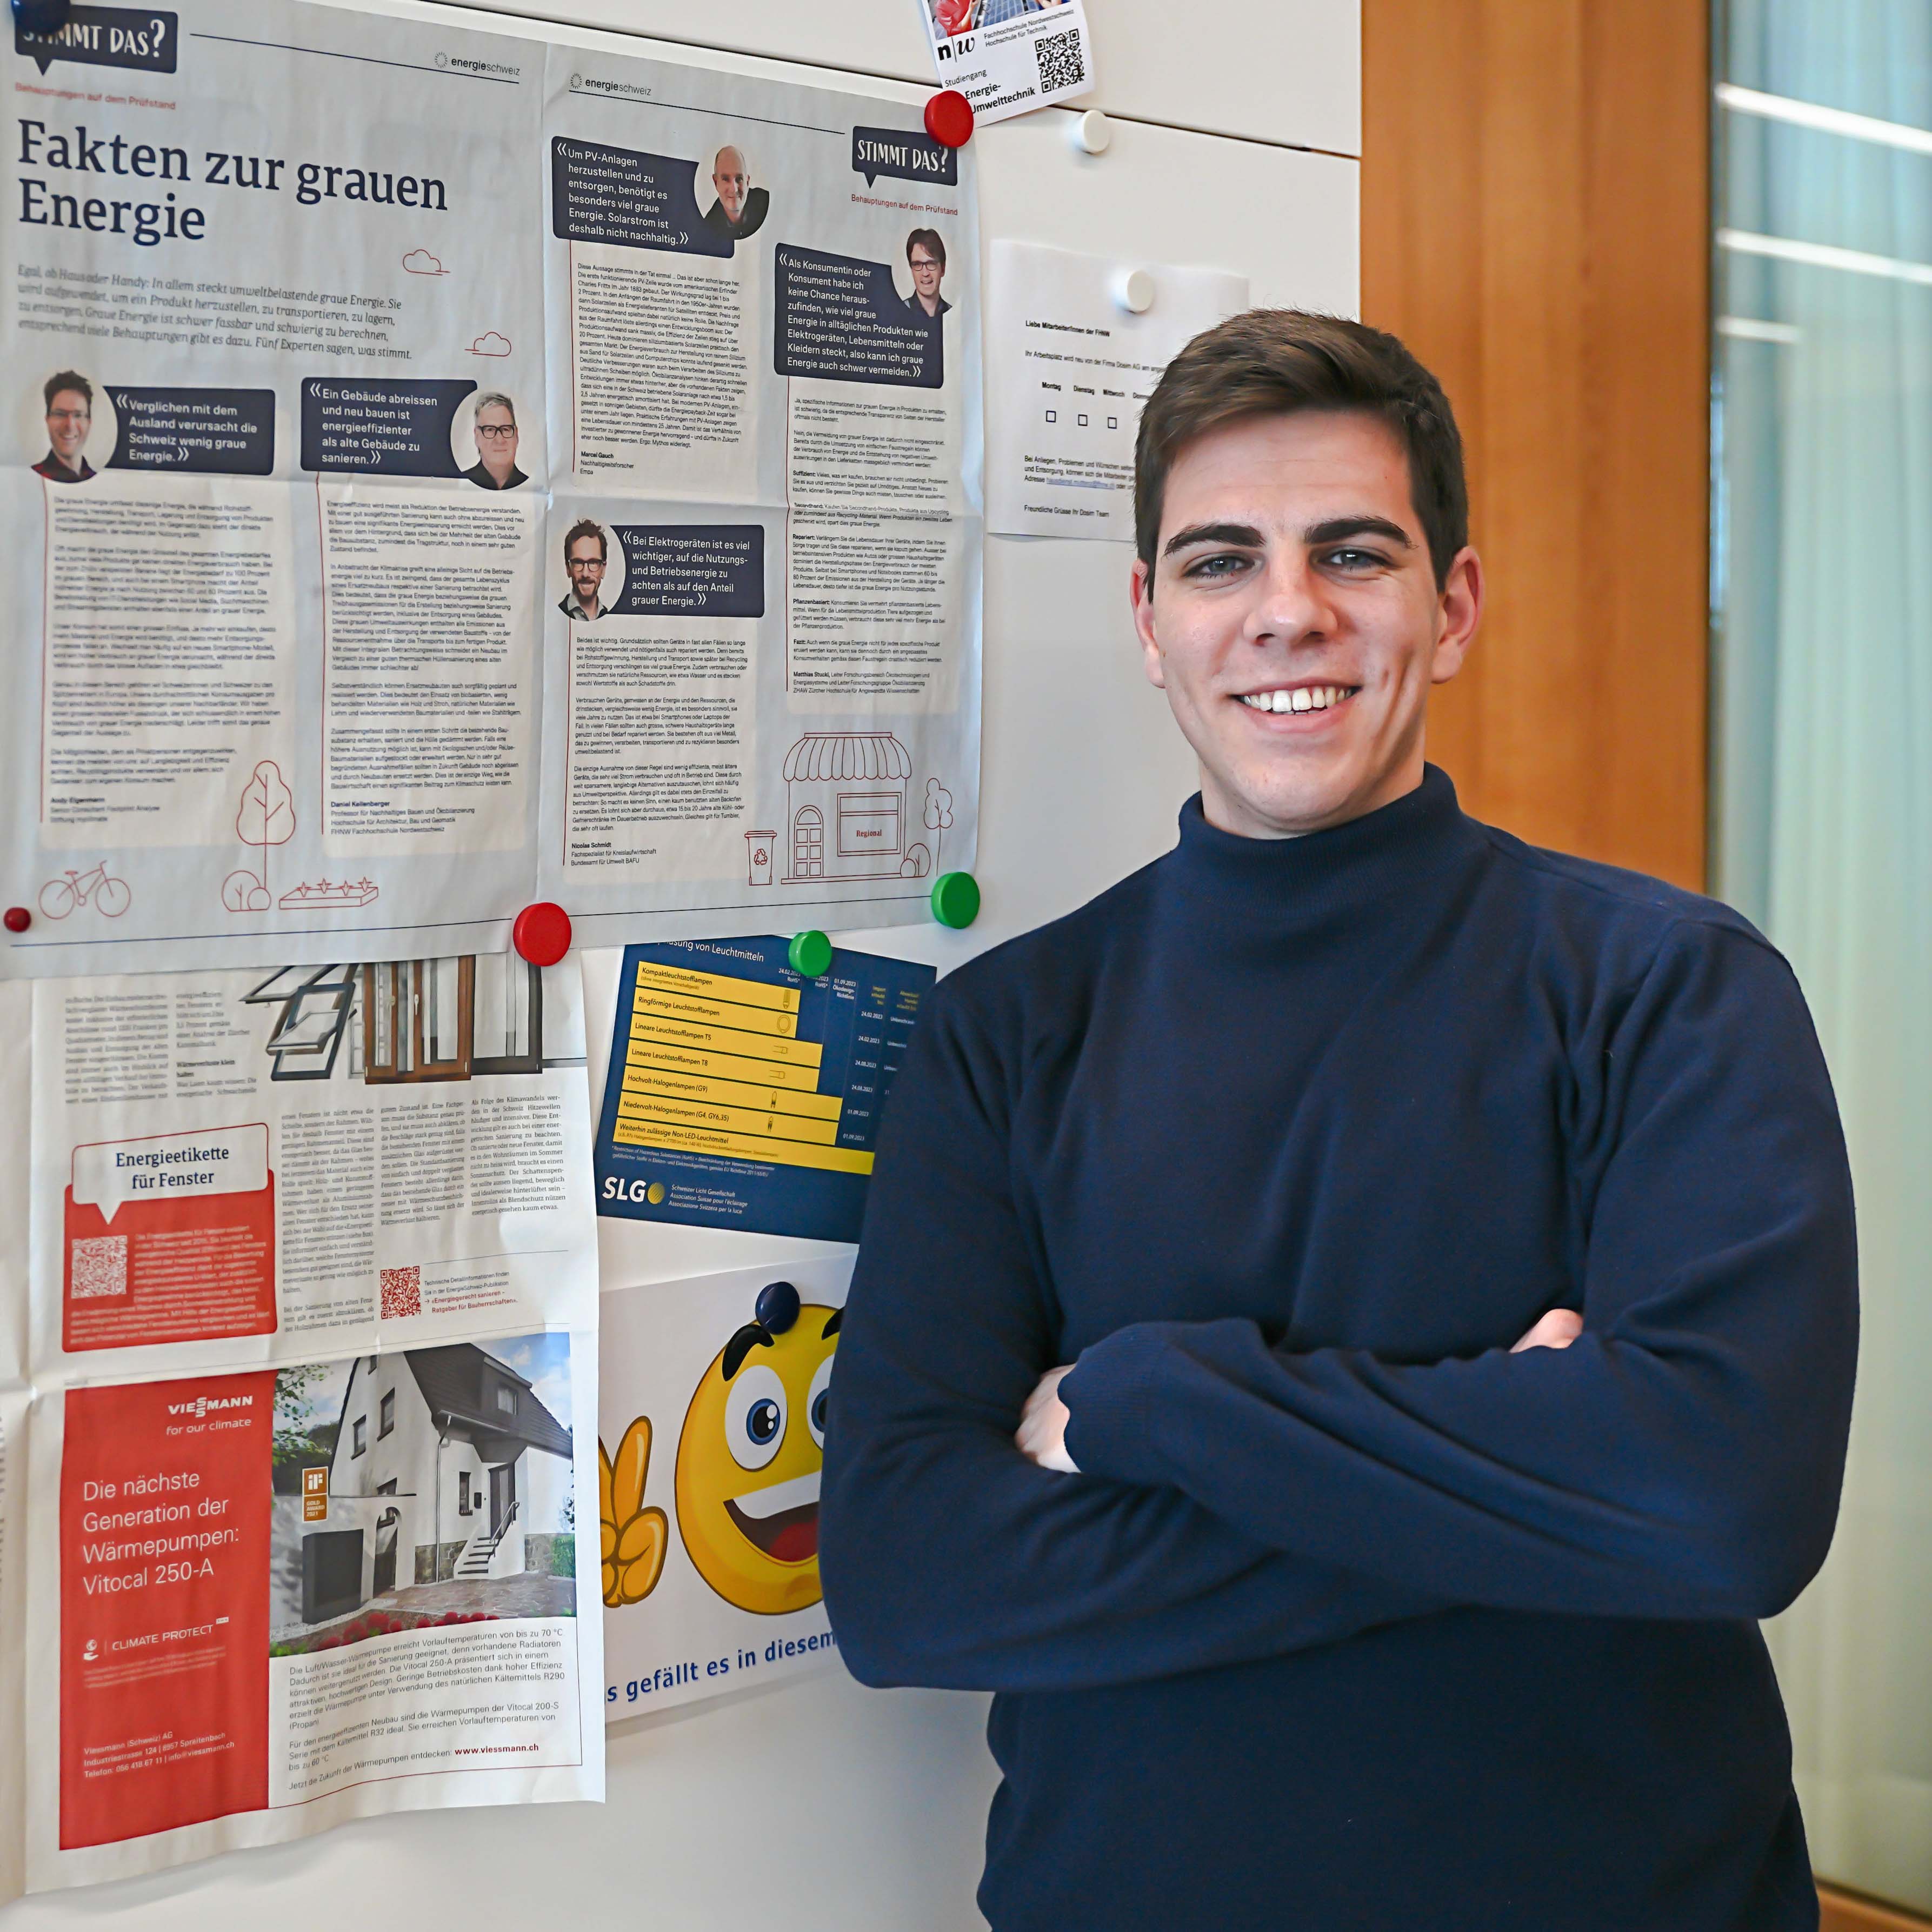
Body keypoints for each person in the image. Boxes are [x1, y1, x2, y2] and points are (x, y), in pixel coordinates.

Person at [820, 310, 1858, 1932]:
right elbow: (908, 1583)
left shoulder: (1664, 991)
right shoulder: (1005, 1039)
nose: (1287, 609)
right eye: (1219, 561)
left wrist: (1158, 1399)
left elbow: (1720, 1508)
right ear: (1150, 620)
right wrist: (1521, 1485)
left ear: (1452, 607)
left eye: (1352, 553)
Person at [35, 370, 95, 484]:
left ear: (89, 422)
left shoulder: (97, 477)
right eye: (60, 414)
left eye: (78, 415)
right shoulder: (32, 476)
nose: (70, 426)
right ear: (47, 419)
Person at [701, 145, 769, 243]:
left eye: (739, 179)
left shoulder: (766, 202)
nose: (734, 189)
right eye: (725, 179)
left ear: (747, 182)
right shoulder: (708, 228)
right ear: (716, 183)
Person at [463, 391, 525, 490]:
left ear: (516, 435)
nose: (500, 440)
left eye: (506, 429)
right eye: (490, 430)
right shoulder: (461, 484)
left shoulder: (534, 487)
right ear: (477, 437)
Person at [558, 518, 610, 621]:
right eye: (578, 562)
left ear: (603, 569)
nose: (585, 574)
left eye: (593, 562)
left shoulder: (611, 617)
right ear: (568, 568)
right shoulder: (554, 614)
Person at [903, 229, 949, 319]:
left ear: (943, 269)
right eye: (917, 264)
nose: (925, 273)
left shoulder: (954, 313)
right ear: (912, 269)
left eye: (931, 264)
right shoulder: (897, 311)